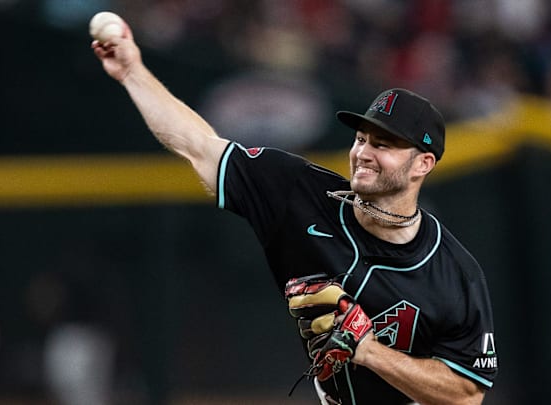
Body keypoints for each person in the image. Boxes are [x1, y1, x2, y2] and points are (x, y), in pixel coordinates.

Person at [92, 19, 498, 405]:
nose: (364, 154)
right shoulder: (297, 191)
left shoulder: (456, 275)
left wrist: (370, 352)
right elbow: (197, 144)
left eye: (384, 145)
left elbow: (467, 394)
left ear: (423, 164)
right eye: (361, 138)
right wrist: (132, 71)